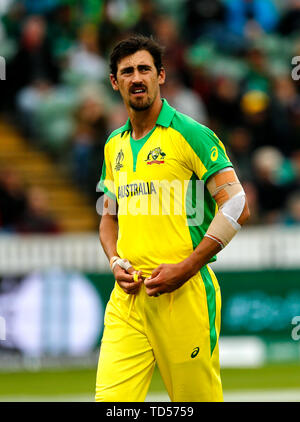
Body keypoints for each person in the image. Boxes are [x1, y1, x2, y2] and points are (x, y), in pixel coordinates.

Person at [95, 34, 250, 402]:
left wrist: (187, 266)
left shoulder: (191, 134)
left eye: (145, 69)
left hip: (184, 297)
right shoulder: (113, 144)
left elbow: (237, 204)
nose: (137, 78)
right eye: (127, 71)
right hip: (128, 299)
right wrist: (115, 260)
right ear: (115, 82)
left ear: (160, 76)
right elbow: (107, 217)